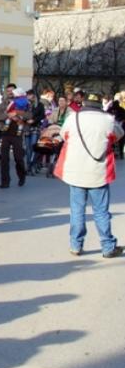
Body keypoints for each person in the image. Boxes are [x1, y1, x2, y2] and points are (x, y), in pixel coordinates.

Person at [54, 93, 124, 258]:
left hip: (76, 171)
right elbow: (118, 135)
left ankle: (76, 245)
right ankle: (107, 247)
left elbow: (64, 135)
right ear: (100, 105)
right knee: (101, 211)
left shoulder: (73, 118)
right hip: (98, 171)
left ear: (84, 103)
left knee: (77, 209)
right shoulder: (108, 120)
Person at [0, 89, 31, 188]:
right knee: (4, 159)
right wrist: (8, 114)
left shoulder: (25, 103)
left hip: (17, 134)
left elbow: (29, 115)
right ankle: (5, 181)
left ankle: (22, 176)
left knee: (18, 158)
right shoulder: (4, 104)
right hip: (6, 133)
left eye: (12, 91)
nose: (10, 93)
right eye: (8, 91)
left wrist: (18, 114)